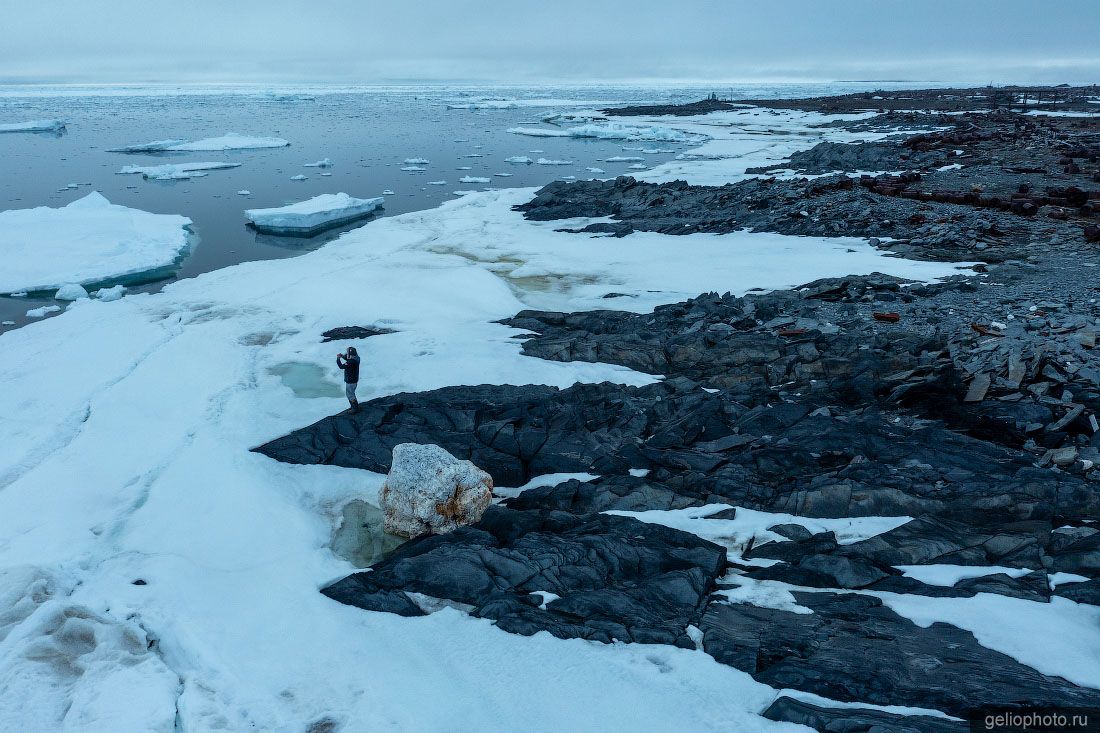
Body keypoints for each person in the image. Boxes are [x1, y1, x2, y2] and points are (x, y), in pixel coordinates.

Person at [336, 346, 361, 413]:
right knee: (351, 393)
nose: (346, 354)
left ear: (350, 354)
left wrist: (338, 359)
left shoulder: (350, 362)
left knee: (350, 395)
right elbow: (348, 358)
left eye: (347, 353)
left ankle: (355, 409)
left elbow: (341, 366)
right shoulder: (356, 358)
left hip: (350, 381)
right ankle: (354, 407)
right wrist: (342, 356)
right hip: (354, 380)